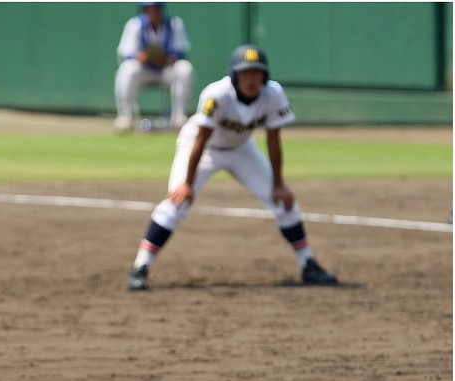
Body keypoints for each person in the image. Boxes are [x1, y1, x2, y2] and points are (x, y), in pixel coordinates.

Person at [126, 44, 338, 290]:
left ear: (264, 76)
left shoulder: (273, 94)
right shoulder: (216, 94)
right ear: (235, 75)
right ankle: (140, 267)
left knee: (283, 201)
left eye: (256, 73)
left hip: (242, 149)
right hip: (201, 149)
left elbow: (273, 140)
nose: (251, 79)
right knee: (177, 201)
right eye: (245, 73)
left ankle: (308, 264)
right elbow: (201, 140)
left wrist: (278, 184)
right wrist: (186, 183)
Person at [114, 2, 194, 132]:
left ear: (161, 9)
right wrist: (143, 56)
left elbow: (181, 52)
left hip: (166, 70)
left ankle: (179, 118)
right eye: (149, 9)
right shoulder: (135, 24)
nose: (152, 12)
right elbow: (126, 53)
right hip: (144, 71)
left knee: (185, 69)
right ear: (144, 10)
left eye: (155, 8)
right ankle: (125, 118)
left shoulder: (174, 24)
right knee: (127, 69)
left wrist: (165, 58)